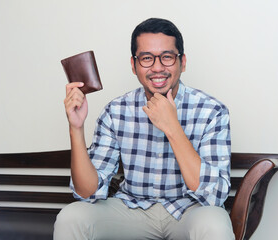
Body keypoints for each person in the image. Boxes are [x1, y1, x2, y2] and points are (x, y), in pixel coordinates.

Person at [54, 18, 235, 240]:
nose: (157, 68)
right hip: (131, 210)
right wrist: (76, 128)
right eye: (147, 58)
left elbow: (214, 195)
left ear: (183, 62)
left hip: (188, 212)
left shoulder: (212, 111)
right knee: (71, 216)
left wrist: (172, 127)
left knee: (214, 221)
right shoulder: (116, 110)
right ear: (134, 65)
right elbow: (87, 192)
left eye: (167, 57)